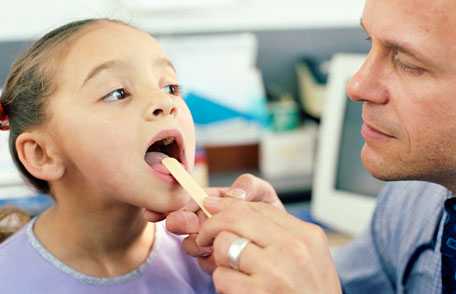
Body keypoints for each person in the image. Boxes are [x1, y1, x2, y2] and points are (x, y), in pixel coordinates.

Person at [166, 0, 456, 293]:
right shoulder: (413, 195)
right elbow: (351, 283)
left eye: (408, 64)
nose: (356, 86)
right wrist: (280, 253)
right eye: (370, 43)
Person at [0, 18, 217, 293]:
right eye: (118, 93)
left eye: (170, 88)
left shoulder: (214, 256)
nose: (165, 103)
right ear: (42, 154)